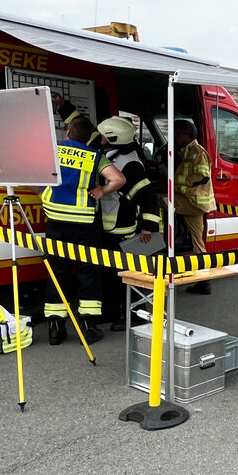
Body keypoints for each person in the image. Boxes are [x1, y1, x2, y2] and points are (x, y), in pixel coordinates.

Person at [41, 112, 125, 345]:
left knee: (58, 270)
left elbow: (31, 177)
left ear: (67, 133)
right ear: (89, 138)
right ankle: (89, 326)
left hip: (55, 219)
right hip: (84, 222)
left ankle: (55, 328)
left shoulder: (53, 150)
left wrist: (44, 193)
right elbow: (118, 179)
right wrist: (101, 191)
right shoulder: (95, 156)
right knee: (88, 270)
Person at [95, 116, 162, 330]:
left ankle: (134, 316)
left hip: (124, 228)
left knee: (129, 275)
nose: (100, 139)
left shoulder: (130, 164)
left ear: (113, 138)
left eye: (104, 135)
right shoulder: (113, 156)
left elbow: (149, 197)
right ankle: (111, 312)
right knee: (109, 273)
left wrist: (149, 227)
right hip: (109, 227)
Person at [174, 119, 216, 295]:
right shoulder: (186, 151)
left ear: (187, 135)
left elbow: (203, 177)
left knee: (198, 244)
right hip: (184, 202)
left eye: (178, 134)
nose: (176, 137)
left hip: (193, 204)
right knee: (194, 241)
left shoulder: (197, 152)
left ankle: (204, 282)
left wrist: (181, 188)